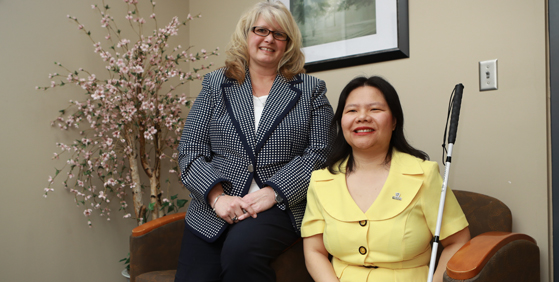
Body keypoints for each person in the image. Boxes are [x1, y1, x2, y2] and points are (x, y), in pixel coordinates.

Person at [175, 1, 334, 282]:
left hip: (278, 205)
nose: (269, 38)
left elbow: (321, 153)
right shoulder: (215, 85)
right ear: (246, 35)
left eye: (279, 33)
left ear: (288, 43)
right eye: (261, 30)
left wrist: (273, 192)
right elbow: (190, 151)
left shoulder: (311, 90)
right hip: (216, 206)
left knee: (241, 253)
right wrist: (216, 197)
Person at [301, 76, 470, 282]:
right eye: (352, 110)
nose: (362, 117)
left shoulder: (423, 175)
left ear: (394, 121)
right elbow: (314, 250)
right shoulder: (321, 181)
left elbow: (458, 241)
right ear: (341, 122)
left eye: (375, 109)